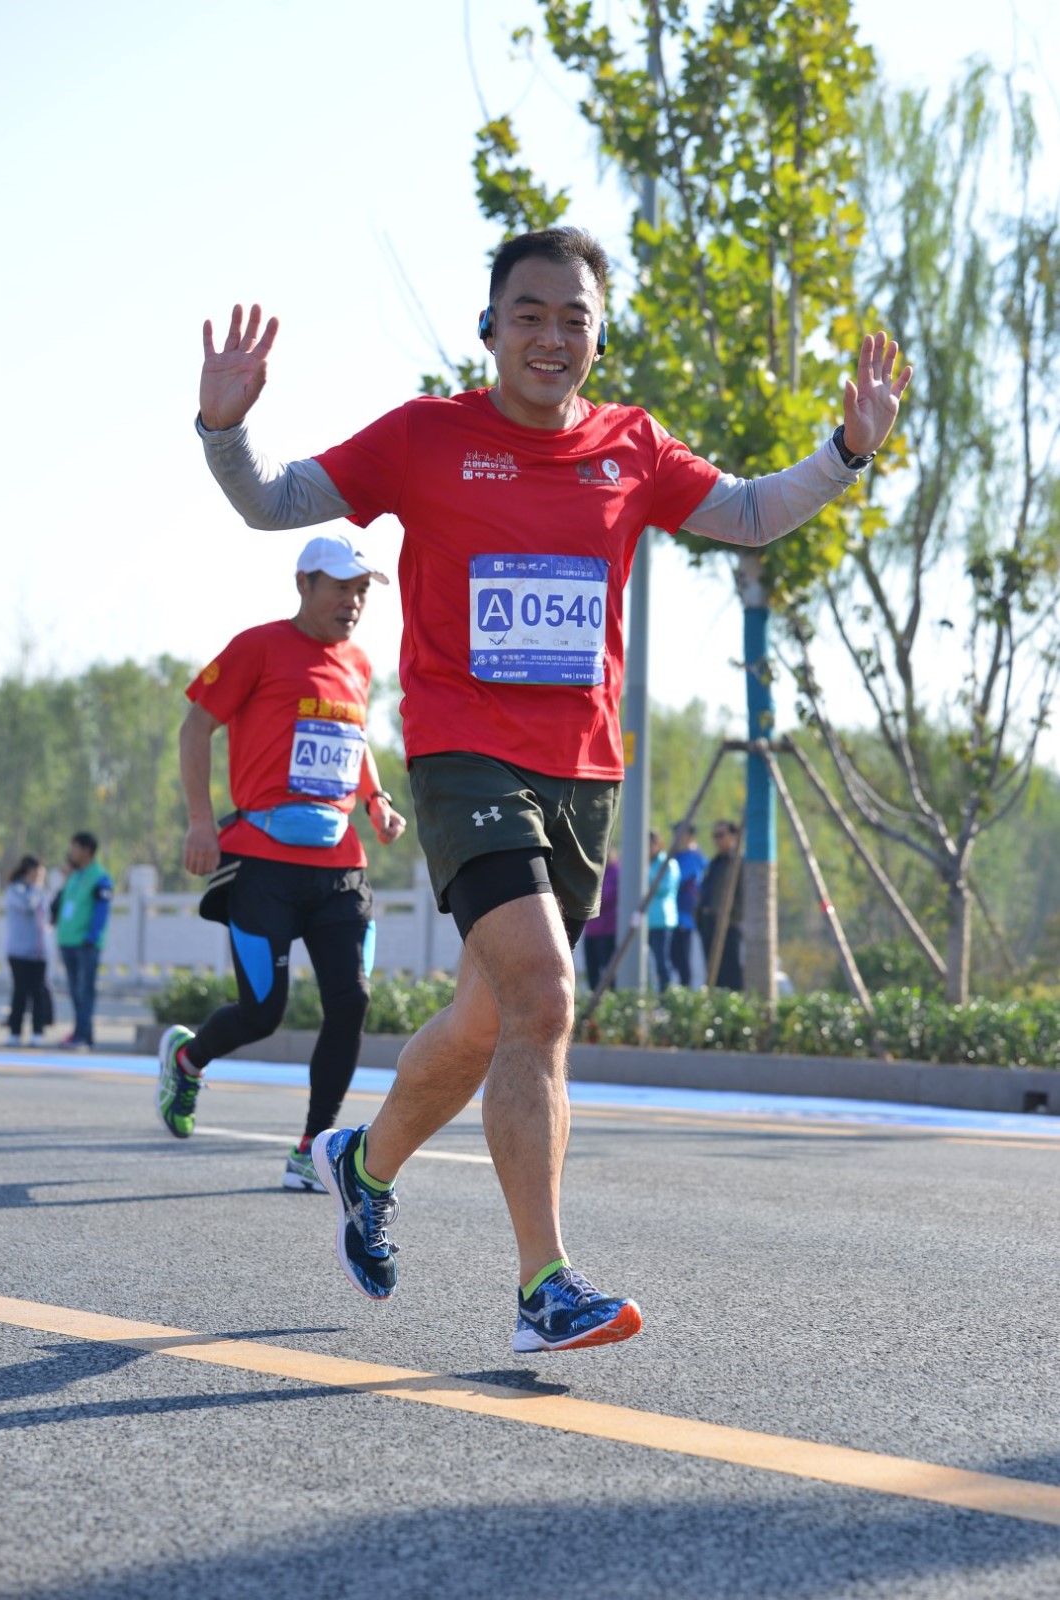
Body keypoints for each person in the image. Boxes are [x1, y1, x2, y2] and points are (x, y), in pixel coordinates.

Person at [195, 225, 910, 1351]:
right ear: (489, 330)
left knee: (489, 1020)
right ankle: (544, 1287)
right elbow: (274, 502)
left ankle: (362, 1164)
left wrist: (846, 451)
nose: (549, 335)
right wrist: (224, 429)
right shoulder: (424, 436)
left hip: (582, 772)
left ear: (597, 338)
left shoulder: (632, 446)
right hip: (462, 756)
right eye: (527, 314)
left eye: (573, 318)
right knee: (545, 999)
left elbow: (748, 513)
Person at [155, 535, 406, 1193]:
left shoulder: (359, 663)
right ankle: (188, 1059)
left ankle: (311, 1149)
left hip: (340, 867)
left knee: (351, 1001)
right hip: (262, 864)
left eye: (362, 591)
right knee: (262, 1012)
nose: (353, 602)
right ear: (304, 584)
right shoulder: (258, 647)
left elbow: (354, 738)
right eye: (341, 587)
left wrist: (375, 799)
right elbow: (195, 726)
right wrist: (201, 821)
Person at [56, 832, 113, 1050]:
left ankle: (81, 1035)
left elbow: (101, 911)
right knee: (74, 991)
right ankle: (83, 1034)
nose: (71, 852)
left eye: (75, 848)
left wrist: (92, 937)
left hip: (86, 944)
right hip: (68, 941)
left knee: (84, 991)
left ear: (87, 850)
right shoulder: (74, 875)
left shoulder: (100, 877)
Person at [4, 855, 51, 1045]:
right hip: (19, 952)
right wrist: (35, 889)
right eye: (36, 872)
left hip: (39, 952)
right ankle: (15, 1032)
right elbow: (27, 906)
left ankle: (37, 1032)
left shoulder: (41, 892)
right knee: (20, 992)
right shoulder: (16, 890)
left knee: (38, 993)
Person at [696, 819, 744, 990]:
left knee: (731, 969)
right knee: (713, 971)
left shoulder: (739, 863)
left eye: (721, 835)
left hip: (729, 925)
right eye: (715, 836)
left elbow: (743, 895)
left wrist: (732, 917)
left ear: (734, 836)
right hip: (709, 922)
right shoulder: (715, 862)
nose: (717, 840)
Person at [670, 822, 707, 987]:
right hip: (673, 917)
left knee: (684, 960)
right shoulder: (677, 856)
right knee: (675, 958)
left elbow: (678, 879)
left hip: (686, 918)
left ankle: (686, 993)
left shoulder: (693, 858)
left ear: (689, 836)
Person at [646, 831, 680, 993]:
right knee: (648, 963)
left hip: (662, 920)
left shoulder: (668, 863)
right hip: (647, 921)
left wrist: (645, 881)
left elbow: (665, 888)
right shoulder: (647, 863)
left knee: (662, 962)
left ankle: (666, 996)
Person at [582, 852, 619, 991]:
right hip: (591, 929)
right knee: (592, 970)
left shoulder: (615, 871)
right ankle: (594, 1000)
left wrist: (588, 900)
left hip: (608, 930)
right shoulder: (592, 870)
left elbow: (608, 897)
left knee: (608, 969)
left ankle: (611, 998)